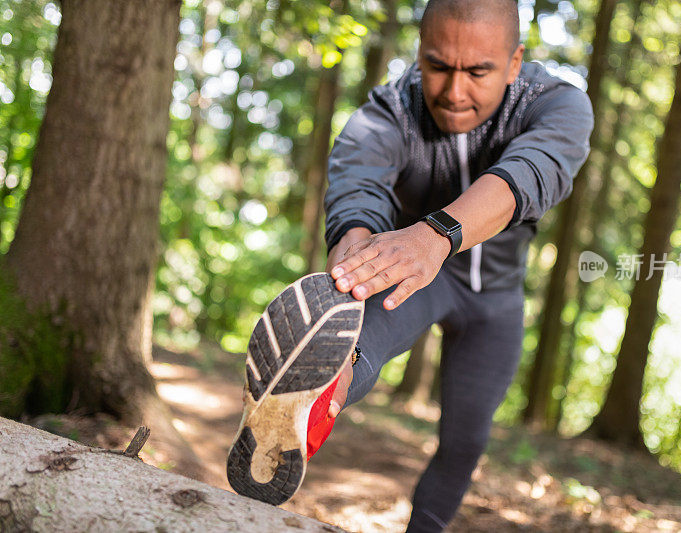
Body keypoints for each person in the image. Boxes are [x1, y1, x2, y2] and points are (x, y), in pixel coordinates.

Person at [226, 0, 593, 531]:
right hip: (412, 277)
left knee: (466, 439)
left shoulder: (558, 104)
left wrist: (437, 235)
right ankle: (288, 427)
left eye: (478, 71)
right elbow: (358, 183)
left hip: (496, 300)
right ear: (420, 53)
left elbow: (531, 172)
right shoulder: (390, 109)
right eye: (438, 66)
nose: (454, 91)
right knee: (350, 352)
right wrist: (355, 257)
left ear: (514, 63)